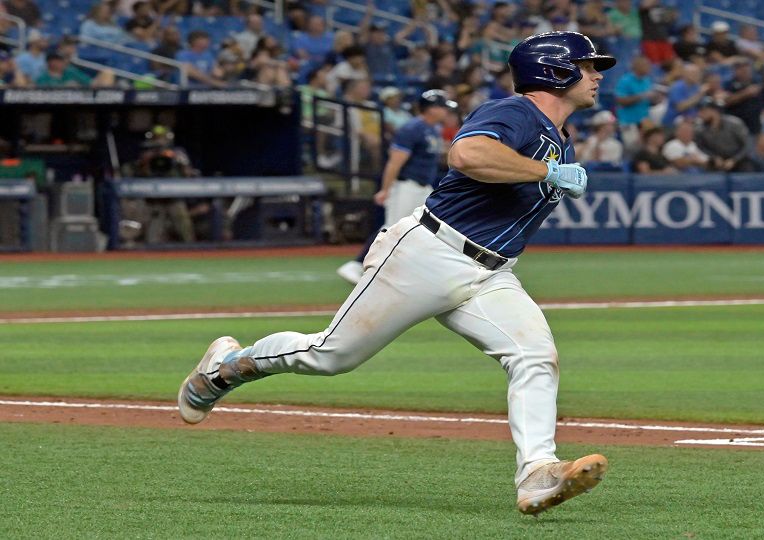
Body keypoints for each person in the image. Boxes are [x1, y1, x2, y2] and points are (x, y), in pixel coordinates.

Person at [178, 31, 611, 516]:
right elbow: (466, 155)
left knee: (535, 355)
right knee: (330, 356)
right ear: (555, 71)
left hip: (492, 272)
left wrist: (548, 167)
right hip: (429, 252)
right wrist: (545, 171)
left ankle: (537, 474)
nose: (597, 75)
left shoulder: (559, 140)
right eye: (589, 65)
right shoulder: (514, 112)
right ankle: (226, 367)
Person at [336, 89, 457, 285]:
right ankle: (357, 264)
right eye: (443, 107)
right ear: (432, 109)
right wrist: (385, 189)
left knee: (429, 229)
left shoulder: (432, 129)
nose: (446, 112)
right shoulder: (413, 128)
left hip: (423, 187)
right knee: (392, 228)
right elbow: (395, 162)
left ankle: (420, 270)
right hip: (406, 185)